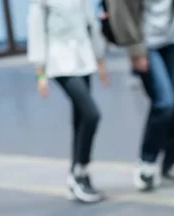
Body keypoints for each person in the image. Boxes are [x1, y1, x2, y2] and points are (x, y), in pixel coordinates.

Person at [108, 0, 174, 191]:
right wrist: (134, 48)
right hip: (146, 44)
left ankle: (171, 163)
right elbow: (120, 10)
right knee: (164, 103)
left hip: (171, 39)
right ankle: (146, 162)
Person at [28, 0, 110, 203]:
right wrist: (40, 73)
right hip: (60, 62)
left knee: (80, 118)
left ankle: (78, 175)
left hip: (83, 59)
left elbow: (90, 23)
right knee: (92, 115)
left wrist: (99, 60)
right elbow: (36, 31)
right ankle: (79, 170)